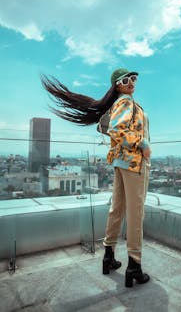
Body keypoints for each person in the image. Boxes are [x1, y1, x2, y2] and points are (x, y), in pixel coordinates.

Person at [41, 68, 151, 288]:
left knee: (117, 209)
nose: (132, 83)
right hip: (134, 163)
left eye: (134, 79)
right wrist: (142, 144)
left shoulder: (119, 103)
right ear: (117, 85)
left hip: (121, 162)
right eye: (127, 80)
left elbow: (112, 127)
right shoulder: (126, 102)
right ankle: (134, 265)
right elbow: (116, 129)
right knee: (135, 213)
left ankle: (108, 256)